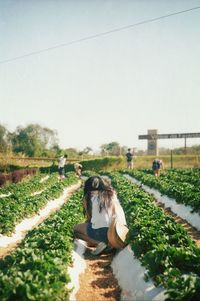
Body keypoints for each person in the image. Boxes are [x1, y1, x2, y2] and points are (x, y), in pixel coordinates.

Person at [74, 176, 127, 255]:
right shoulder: (112, 194)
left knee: (75, 230)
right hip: (117, 231)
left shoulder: (89, 196)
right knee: (96, 228)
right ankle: (109, 243)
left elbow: (90, 218)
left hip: (101, 232)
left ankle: (101, 243)